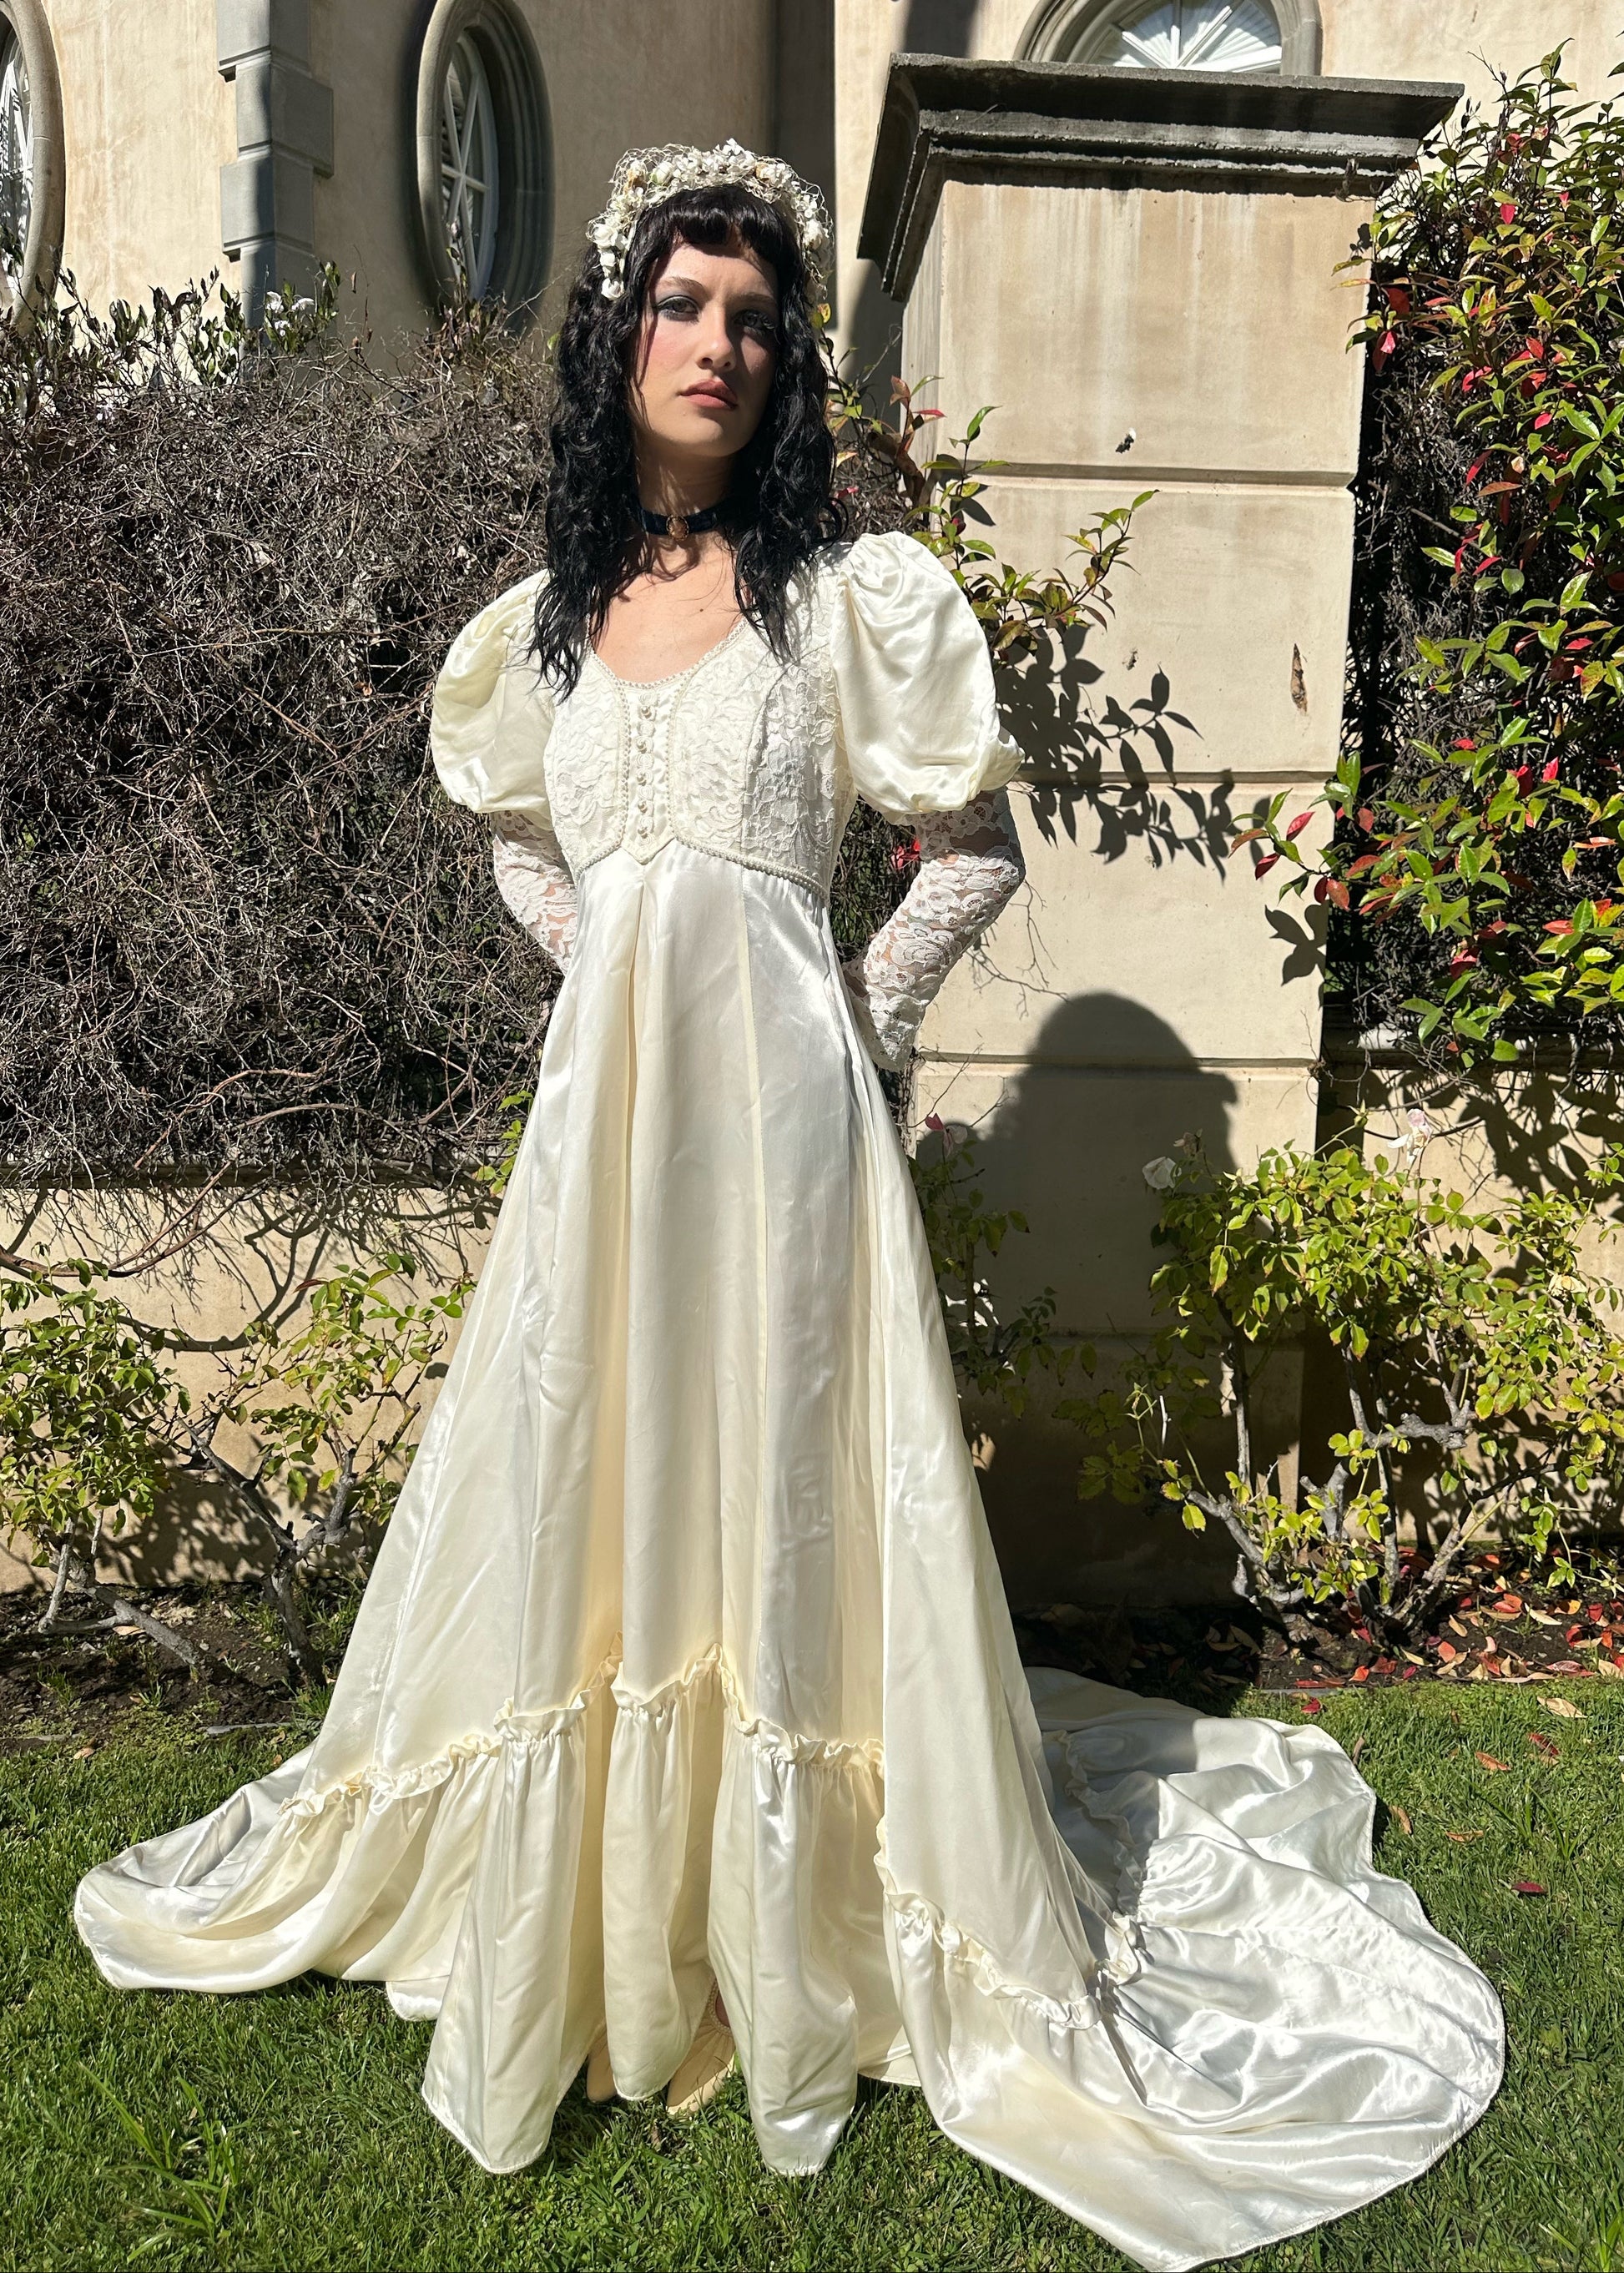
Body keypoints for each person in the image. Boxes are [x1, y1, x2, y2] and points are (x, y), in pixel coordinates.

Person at [75, 140, 1502, 2272]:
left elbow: (976, 850)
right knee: (594, 1460)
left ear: (782, 358)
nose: (719, 347)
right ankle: (602, 1914)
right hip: (606, 1124)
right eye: (682, 306)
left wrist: (845, 1006)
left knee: (787, 1476)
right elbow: (514, 847)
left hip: (792, 1121)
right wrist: (613, 975)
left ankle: (793, 1915)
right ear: (616, 331)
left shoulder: (849, 599)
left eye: (754, 319)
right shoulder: (539, 632)